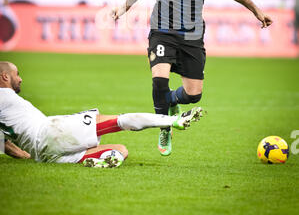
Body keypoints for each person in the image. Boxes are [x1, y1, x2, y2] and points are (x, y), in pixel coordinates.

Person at [111, 0, 273, 156]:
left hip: (193, 34)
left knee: (193, 94)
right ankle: (165, 126)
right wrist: (125, 7)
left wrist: (256, 10)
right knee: (159, 80)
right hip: (163, 30)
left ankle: (173, 102)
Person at [0, 62, 203, 168]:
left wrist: (25, 155)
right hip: (50, 130)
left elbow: (4, 145)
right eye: (17, 74)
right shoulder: (3, 94)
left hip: (43, 156)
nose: (21, 78)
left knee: (121, 150)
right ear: (5, 76)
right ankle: (174, 120)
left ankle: (101, 162)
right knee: (119, 121)